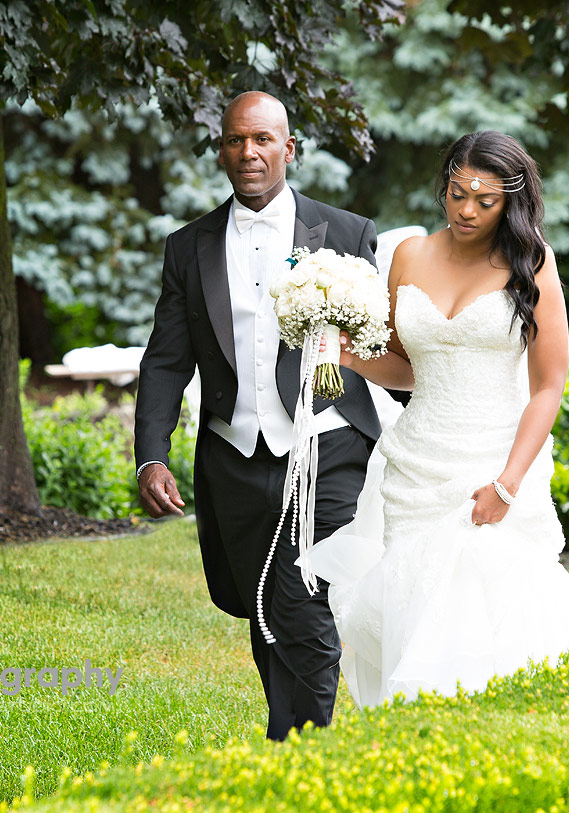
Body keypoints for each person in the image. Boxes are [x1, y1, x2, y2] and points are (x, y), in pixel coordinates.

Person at [303, 131, 569, 708]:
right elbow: (407, 368)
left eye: (485, 201)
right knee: (414, 605)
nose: (466, 210)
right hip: (415, 464)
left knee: (485, 618)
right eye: (458, 193)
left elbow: (548, 386)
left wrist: (508, 484)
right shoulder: (409, 257)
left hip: (495, 462)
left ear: (512, 201)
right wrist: (343, 352)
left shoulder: (531, 264)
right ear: (446, 183)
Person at [133, 91, 385, 740]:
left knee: (303, 596)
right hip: (233, 455)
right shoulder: (187, 248)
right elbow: (165, 362)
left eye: (264, 139)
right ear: (222, 149)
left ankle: (304, 743)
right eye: (236, 140)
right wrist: (151, 454)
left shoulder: (346, 233)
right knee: (262, 605)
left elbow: (383, 344)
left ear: (289, 148)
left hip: (326, 447)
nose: (249, 152)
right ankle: (290, 737)